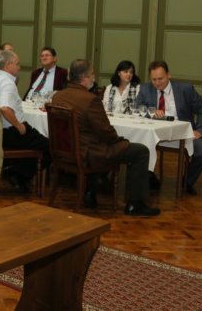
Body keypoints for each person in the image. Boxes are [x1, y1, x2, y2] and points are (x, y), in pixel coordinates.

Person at [53, 59, 160, 216]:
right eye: (92, 74)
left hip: (67, 150)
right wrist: (121, 141)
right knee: (141, 151)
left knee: (105, 144)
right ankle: (135, 204)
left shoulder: (58, 96)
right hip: (89, 152)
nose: (94, 77)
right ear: (83, 78)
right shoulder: (90, 100)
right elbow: (106, 132)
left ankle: (90, 192)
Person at [0, 49, 49, 193]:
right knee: (49, 146)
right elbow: (4, 108)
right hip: (9, 132)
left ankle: (13, 169)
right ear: (8, 65)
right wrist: (19, 126)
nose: (19, 67)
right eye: (17, 64)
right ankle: (18, 174)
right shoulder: (7, 83)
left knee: (35, 141)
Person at [136, 60, 202, 195]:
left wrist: (200, 130)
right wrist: (151, 113)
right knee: (138, 147)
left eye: (160, 79)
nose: (157, 83)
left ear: (168, 75)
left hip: (183, 133)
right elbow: (138, 108)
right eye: (154, 79)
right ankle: (148, 178)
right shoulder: (145, 89)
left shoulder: (185, 89)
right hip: (156, 134)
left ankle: (186, 182)